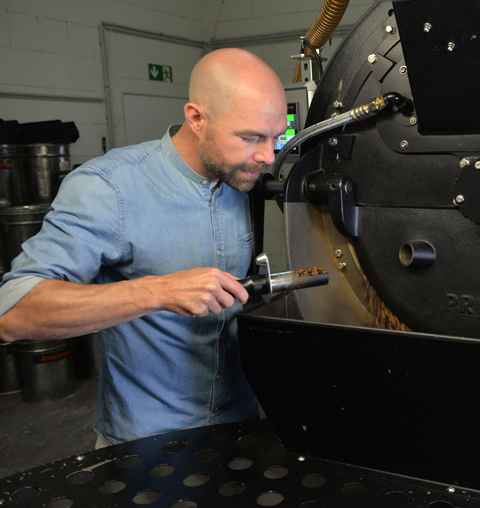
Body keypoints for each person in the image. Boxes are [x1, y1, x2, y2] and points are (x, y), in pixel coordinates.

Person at [0, 48, 288, 447]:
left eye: (276, 137)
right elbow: (14, 310)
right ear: (197, 118)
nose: (267, 157)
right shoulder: (109, 187)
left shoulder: (241, 179)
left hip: (239, 426)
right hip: (147, 443)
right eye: (251, 137)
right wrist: (157, 291)